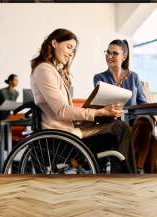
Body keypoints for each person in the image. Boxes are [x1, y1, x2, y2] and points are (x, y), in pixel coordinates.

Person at [30, 29, 135, 173]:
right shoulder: (44, 70)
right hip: (62, 140)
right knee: (120, 128)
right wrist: (98, 112)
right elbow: (62, 111)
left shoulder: (51, 70)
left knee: (113, 124)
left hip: (67, 134)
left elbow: (62, 113)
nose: (70, 53)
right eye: (69, 47)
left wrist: (99, 114)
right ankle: (124, 178)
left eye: (73, 50)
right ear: (54, 43)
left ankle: (119, 175)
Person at [93, 39, 157, 174]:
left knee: (144, 120)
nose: (110, 56)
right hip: (114, 123)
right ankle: (138, 170)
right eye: (108, 53)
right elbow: (104, 105)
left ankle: (135, 168)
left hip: (135, 122)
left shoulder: (133, 77)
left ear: (124, 56)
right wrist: (119, 82)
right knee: (152, 141)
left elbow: (142, 103)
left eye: (114, 53)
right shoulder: (99, 78)